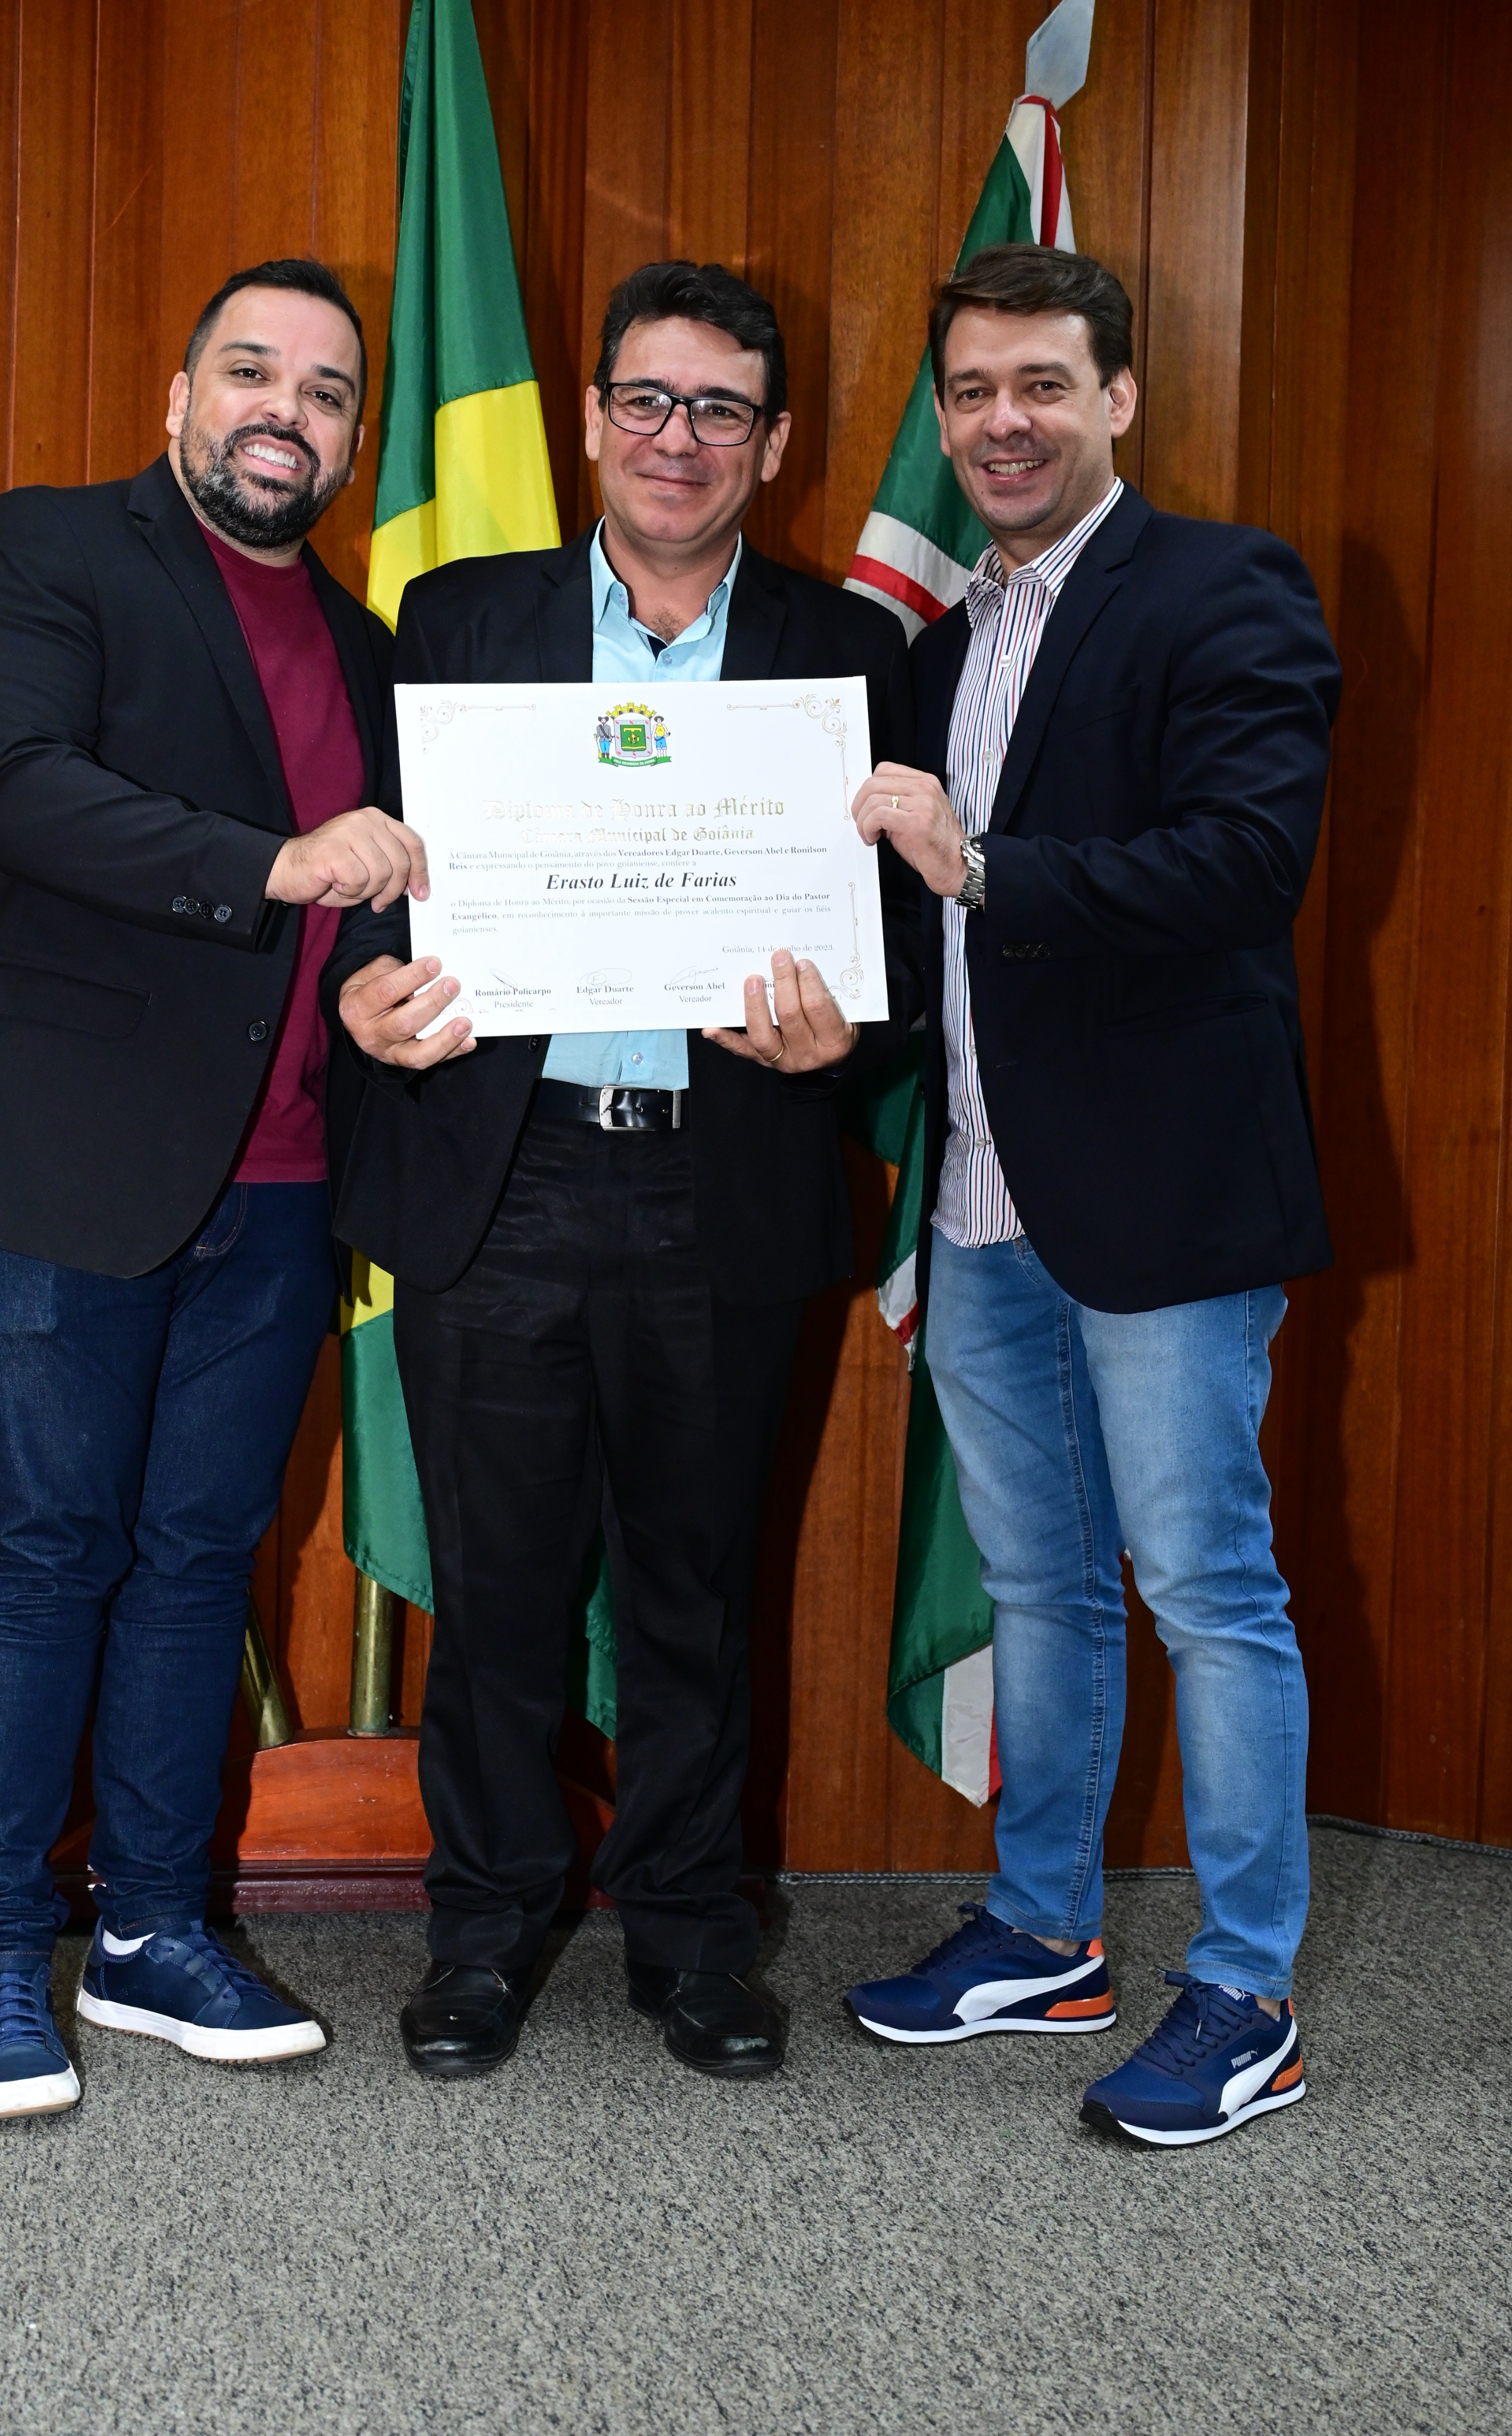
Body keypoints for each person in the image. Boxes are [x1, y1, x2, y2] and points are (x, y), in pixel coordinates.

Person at [328, 259, 921, 2081]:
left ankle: (688, 1936)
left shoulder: (852, 653)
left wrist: (848, 1038)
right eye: (648, 401)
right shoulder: (452, 618)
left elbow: (900, 950)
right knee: (497, 1589)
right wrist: (364, 990)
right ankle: (485, 1932)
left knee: (697, 1586)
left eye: (719, 409)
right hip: (500, 1174)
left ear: (773, 443)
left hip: (716, 1188)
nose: (679, 439)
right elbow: (378, 876)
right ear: (591, 420)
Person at [0, 257, 457, 2120]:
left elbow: (373, 895)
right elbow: (9, 785)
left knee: (201, 1560)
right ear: (179, 397)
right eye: (251, 372)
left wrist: (369, 984)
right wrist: (278, 867)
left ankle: (150, 1930)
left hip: (284, 1182)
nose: (286, 411)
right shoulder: (47, 553)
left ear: (353, 442)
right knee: (45, 1550)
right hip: (52, 1164)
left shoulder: (372, 650)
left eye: (326, 391)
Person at [846, 243, 1340, 2147]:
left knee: (1209, 1591)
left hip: (1164, 1204)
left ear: (1118, 398)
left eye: (1043, 384)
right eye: (972, 391)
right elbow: (904, 929)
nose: (1004, 423)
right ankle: (1046, 1932)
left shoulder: (1223, 588)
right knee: (1039, 1585)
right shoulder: (936, 651)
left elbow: (1243, 862)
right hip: (982, 1197)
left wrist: (980, 867)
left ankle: (1246, 1991)